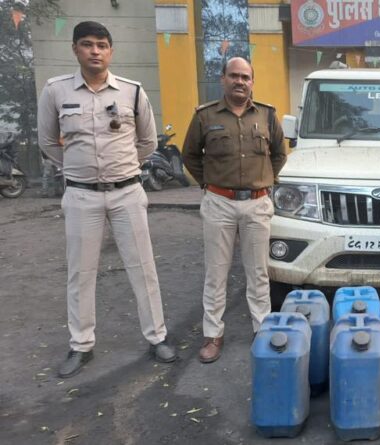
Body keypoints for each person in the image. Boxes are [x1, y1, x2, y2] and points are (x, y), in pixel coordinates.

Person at [37, 21, 176, 378]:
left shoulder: (132, 91)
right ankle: (81, 345)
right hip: (81, 195)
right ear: (75, 49)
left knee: (143, 268)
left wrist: (123, 167)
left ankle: (157, 337)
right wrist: (78, 167)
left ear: (111, 51)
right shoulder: (55, 91)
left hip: (127, 192)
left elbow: (148, 142)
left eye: (101, 45)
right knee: (80, 273)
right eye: (87, 44)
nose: (95, 51)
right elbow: (48, 142)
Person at [182, 57, 286, 364]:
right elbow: (190, 155)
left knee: (259, 272)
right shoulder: (205, 116)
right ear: (223, 79)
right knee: (216, 273)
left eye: (245, 77)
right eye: (234, 76)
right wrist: (208, 183)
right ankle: (213, 334)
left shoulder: (267, 115)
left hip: (257, 203)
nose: (240, 81)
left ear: (252, 82)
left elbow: (279, 154)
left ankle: (261, 329)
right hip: (219, 203)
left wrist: (264, 181)